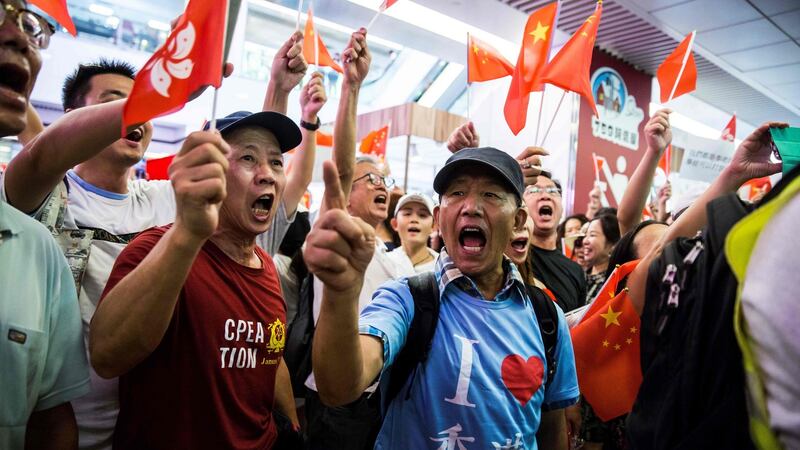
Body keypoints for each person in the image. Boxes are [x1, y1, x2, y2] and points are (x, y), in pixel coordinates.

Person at [1, 33, 310, 449]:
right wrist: (161, 93)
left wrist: (279, 91)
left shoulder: (167, 198)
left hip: (136, 419)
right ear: (76, 115)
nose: (139, 113)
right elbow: (44, 152)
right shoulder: (48, 192)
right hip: (51, 426)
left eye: (143, 103)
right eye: (117, 101)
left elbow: (246, 179)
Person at [307, 147, 580, 449]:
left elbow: (552, 428)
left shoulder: (547, 318)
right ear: (439, 218)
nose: (471, 207)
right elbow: (339, 387)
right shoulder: (408, 299)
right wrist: (340, 293)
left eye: (491, 195)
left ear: (517, 222)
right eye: (457, 193)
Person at [90, 111, 302, 449]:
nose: (268, 176)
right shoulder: (155, 250)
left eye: (276, 163)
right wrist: (187, 232)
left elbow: (269, 357)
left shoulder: (266, 267)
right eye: (248, 158)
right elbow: (106, 356)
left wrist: (292, 429)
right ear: (211, 169)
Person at [0, 3, 91, 448]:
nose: (19, 36)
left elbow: (51, 419)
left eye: (30, 24)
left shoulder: (36, 249)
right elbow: (42, 150)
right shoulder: (41, 187)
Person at [523, 176, 587, 313]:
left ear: (562, 208)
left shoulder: (576, 271)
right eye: (534, 190)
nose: (545, 196)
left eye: (553, 191)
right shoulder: (512, 257)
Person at [386, 192, 438, 273]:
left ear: (433, 226)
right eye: (407, 214)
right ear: (395, 224)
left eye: (422, 215)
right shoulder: (384, 262)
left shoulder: (442, 267)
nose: (414, 219)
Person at [582, 214, 620, 305]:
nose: (585, 241)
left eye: (592, 235)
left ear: (612, 245)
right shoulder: (578, 276)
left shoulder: (615, 283)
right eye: (585, 235)